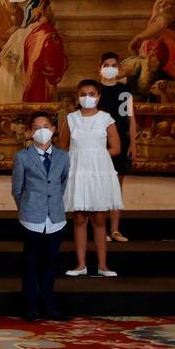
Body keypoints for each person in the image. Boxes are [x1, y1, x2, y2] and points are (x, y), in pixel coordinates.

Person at [59, 79, 123, 277]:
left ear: (99, 96)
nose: (88, 97)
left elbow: (116, 148)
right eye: (83, 94)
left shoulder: (106, 119)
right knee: (79, 218)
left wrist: (97, 155)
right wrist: (79, 156)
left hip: (98, 173)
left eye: (92, 94)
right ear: (78, 96)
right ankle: (81, 265)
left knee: (99, 218)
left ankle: (103, 266)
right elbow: (63, 147)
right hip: (78, 172)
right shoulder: (70, 118)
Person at [12, 111, 70, 321]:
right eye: (36, 128)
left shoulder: (63, 156)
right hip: (31, 218)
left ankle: (50, 306)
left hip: (55, 218)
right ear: (30, 132)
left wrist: (52, 203)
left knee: (50, 264)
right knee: (31, 263)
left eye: (46, 126)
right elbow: (17, 189)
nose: (42, 131)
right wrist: (26, 208)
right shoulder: (22, 157)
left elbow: (63, 183)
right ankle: (30, 307)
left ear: (53, 129)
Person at [97, 52, 133, 242]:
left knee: (116, 188)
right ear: (100, 68)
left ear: (119, 69)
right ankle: (101, 229)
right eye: (106, 64)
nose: (110, 67)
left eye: (113, 65)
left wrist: (132, 144)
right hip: (100, 144)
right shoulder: (95, 91)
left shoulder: (124, 91)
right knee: (101, 186)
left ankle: (116, 230)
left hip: (121, 142)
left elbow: (130, 119)